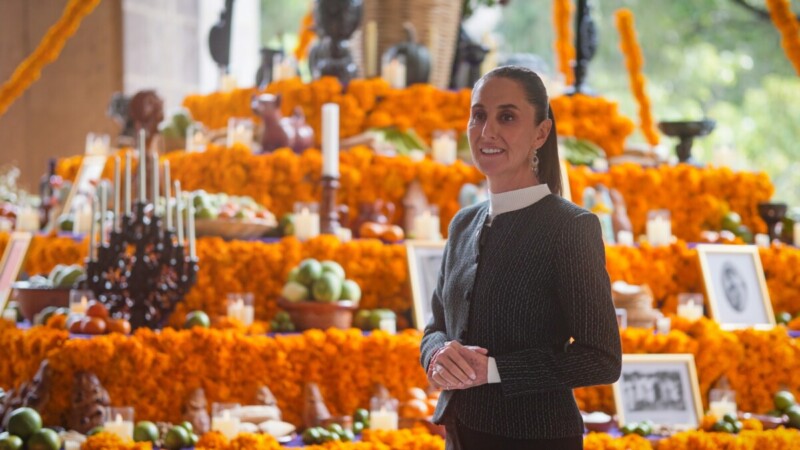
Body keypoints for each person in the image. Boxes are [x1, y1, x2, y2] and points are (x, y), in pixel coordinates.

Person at [420, 65, 622, 450]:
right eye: (478, 115)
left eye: (506, 117)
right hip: (460, 435)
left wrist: (494, 371)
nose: (487, 131)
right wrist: (437, 356)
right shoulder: (463, 223)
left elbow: (602, 359)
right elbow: (435, 328)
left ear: (541, 133)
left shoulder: (570, 227)